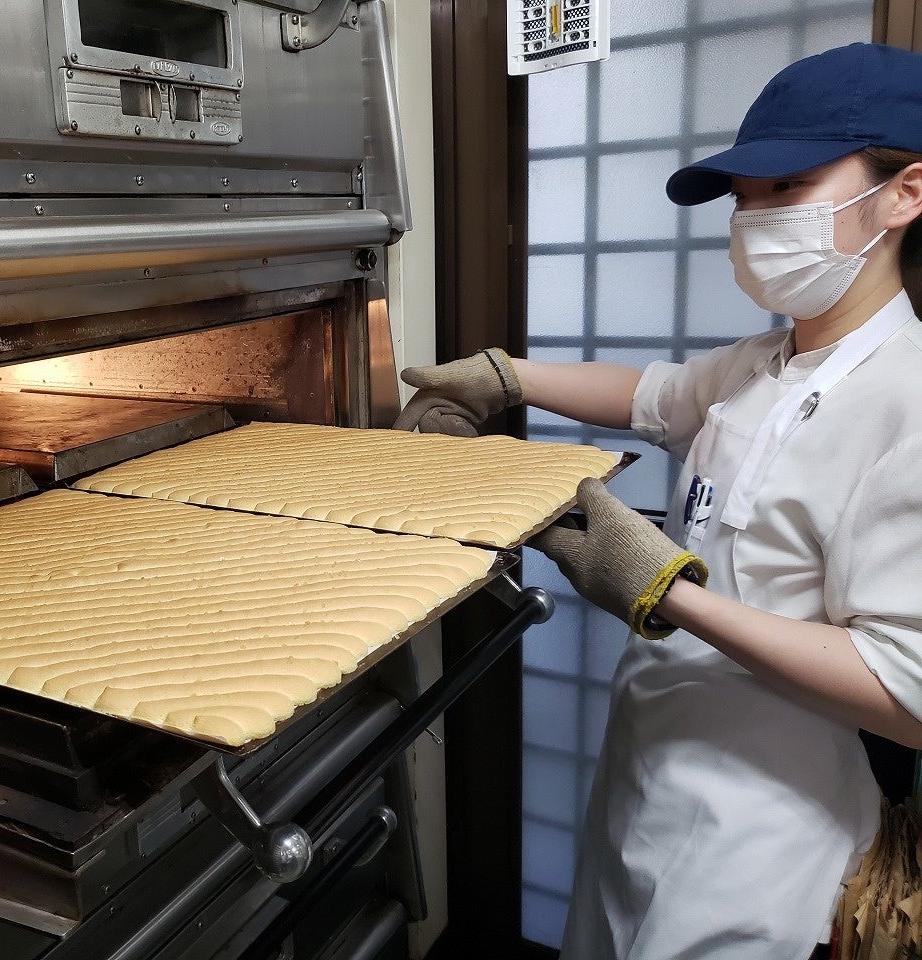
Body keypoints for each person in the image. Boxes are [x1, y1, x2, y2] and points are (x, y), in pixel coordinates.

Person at [395, 42, 922, 959]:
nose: (753, 217)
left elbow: (904, 691)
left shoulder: (907, 400)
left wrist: (662, 591)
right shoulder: (766, 361)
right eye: (742, 196)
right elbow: (651, 393)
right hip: (651, 754)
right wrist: (504, 376)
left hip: (767, 820)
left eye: (787, 186)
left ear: (904, 195)